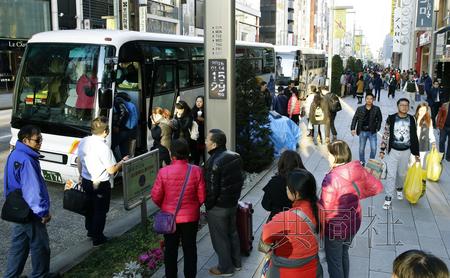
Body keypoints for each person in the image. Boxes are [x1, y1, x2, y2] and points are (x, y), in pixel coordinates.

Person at [319, 140, 382, 278]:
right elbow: (376, 187)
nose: (327, 157)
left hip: (336, 228)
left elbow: (325, 209)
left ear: (336, 156)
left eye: (329, 154)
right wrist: (359, 193)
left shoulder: (331, 178)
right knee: (344, 253)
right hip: (353, 223)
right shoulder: (357, 169)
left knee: (334, 261)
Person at [151, 138, 206, 278]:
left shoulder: (164, 172)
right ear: (187, 153)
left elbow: (156, 196)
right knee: (190, 250)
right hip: (190, 218)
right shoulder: (196, 170)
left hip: (170, 218)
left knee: (170, 251)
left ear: (172, 154)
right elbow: (202, 196)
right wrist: (193, 207)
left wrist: (165, 206)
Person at [3, 126, 52, 278]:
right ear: (25, 140)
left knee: (19, 246)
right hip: (30, 210)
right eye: (37, 140)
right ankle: (40, 275)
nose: (40, 143)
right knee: (40, 245)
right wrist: (42, 212)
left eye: (41, 139)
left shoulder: (15, 153)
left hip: (18, 207)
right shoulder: (27, 160)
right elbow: (32, 191)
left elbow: (8, 182)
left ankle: (10, 276)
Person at [77, 117, 129, 246]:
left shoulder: (84, 141)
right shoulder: (104, 148)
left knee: (89, 208)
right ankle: (98, 238)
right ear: (106, 131)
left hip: (86, 180)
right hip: (100, 184)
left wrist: (80, 175)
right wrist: (123, 162)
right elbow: (111, 170)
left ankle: (90, 231)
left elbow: (79, 160)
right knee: (100, 211)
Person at [261, 169, 322, 277]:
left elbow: (266, 236)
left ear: (297, 194)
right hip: (312, 268)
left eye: (288, 188)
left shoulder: (286, 218)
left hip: (287, 271)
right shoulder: (320, 209)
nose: (286, 189)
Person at [204, 129, 244, 276]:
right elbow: (241, 179)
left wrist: (208, 205)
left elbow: (211, 190)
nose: (205, 142)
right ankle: (237, 263)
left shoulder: (213, 162)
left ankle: (225, 268)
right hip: (232, 203)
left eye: (207, 140)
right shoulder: (235, 156)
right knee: (232, 232)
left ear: (214, 144)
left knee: (220, 238)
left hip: (218, 207)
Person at [380, 98, 420, 209]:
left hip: (406, 151)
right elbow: (386, 134)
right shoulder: (391, 118)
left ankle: (399, 188)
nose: (404, 107)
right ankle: (388, 198)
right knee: (391, 175)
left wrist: (416, 154)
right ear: (398, 106)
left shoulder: (412, 119)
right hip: (393, 151)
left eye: (406, 105)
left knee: (402, 174)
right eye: (402, 105)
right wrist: (382, 149)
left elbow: (414, 136)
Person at [261, 150, 306, 221]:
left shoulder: (274, 182)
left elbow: (266, 205)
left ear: (281, 164)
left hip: (277, 219)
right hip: (301, 218)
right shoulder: (305, 180)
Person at [351, 93, 383, 166]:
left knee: (374, 149)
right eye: (367, 98)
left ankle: (371, 162)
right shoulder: (360, 108)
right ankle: (362, 162)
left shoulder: (376, 109)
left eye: (371, 99)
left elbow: (380, 119)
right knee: (361, 148)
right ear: (365, 99)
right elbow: (355, 118)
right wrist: (353, 128)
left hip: (372, 132)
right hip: (362, 131)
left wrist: (377, 128)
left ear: (373, 100)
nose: (369, 100)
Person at [112, 92, 138, 160]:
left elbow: (124, 113)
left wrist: (117, 125)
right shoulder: (131, 105)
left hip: (123, 129)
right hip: (131, 130)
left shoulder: (117, 101)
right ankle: (126, 165)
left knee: (111, 146)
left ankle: (116, 164)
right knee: (124, 150)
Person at [191, 96, 206, 165]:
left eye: (200, 101)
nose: (198, 103)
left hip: (203, 133)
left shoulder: (206, 110)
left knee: (203, 148)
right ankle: (196, 163)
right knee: (196, 149)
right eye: (197, 101)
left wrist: (203, 120)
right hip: (195, 133)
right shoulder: (193, 110)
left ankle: (205, 162)